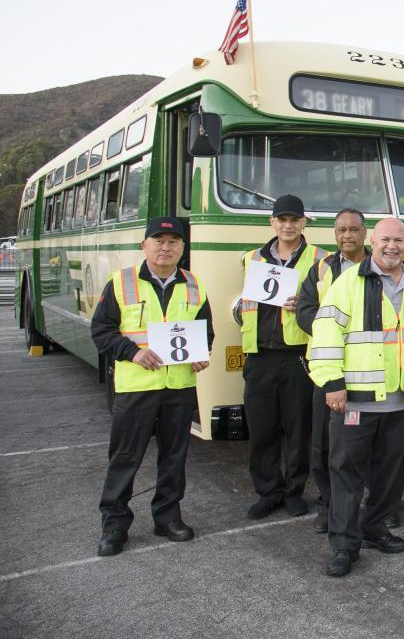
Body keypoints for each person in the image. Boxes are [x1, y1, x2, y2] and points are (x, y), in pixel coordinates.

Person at [308, 218, 404, 577]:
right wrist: (332, 381)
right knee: (347, 474)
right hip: (355, 401)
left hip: (402, 400)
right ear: (372, 242)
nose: (391, 246)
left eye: (399, 240)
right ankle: (344, 545)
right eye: (385, 240)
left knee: (391, 474)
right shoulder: (348, 282)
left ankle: (374, 528)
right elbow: (326, 330)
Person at [92, 216, 213, 556]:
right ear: (144, 245)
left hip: (178, 386)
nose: (166, 246)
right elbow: (101, 332)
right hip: (136, 386)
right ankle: (114, 524)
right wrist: (133, 353)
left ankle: (167, 516)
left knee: (174, 455)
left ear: (182, 248)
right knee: (126, 456)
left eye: (173, 240)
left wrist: (201, 355)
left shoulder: (195, 285)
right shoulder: (121, 283)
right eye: (158, 239)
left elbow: (206, 332)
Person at [237, 194, 328, 520]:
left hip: (298, 357)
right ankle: (268, 492)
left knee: (298, 429)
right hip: (259, 356)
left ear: (304, 223)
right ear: (272, 222)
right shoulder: (251, 259)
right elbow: (243, 305)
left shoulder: (321, 259)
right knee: (262, 430)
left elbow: (329, 305)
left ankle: (294, 491)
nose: (288, 225)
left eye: (294, 220)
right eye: (282, 219)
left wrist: (302, 306)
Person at [296, 208, 369, 535]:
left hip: (370, 369)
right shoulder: (320, 270)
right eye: (341, 230)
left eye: (354, 229)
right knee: (325, 441)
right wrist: (334, 330)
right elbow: (304, 312)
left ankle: (376, 505)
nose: (347, 235)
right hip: (328, 369)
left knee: (370, 442)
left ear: (365, 233)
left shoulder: (380, 265)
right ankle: (328, 504)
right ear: (334, 233)